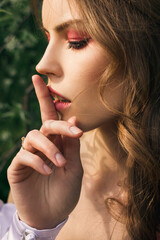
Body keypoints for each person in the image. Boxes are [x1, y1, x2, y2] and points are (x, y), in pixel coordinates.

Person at [1, 0, 160, 239]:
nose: (43, 65)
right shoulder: (43, 173)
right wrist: (34, 227)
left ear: (144, 45)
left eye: (76, 41)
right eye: (47, 39)